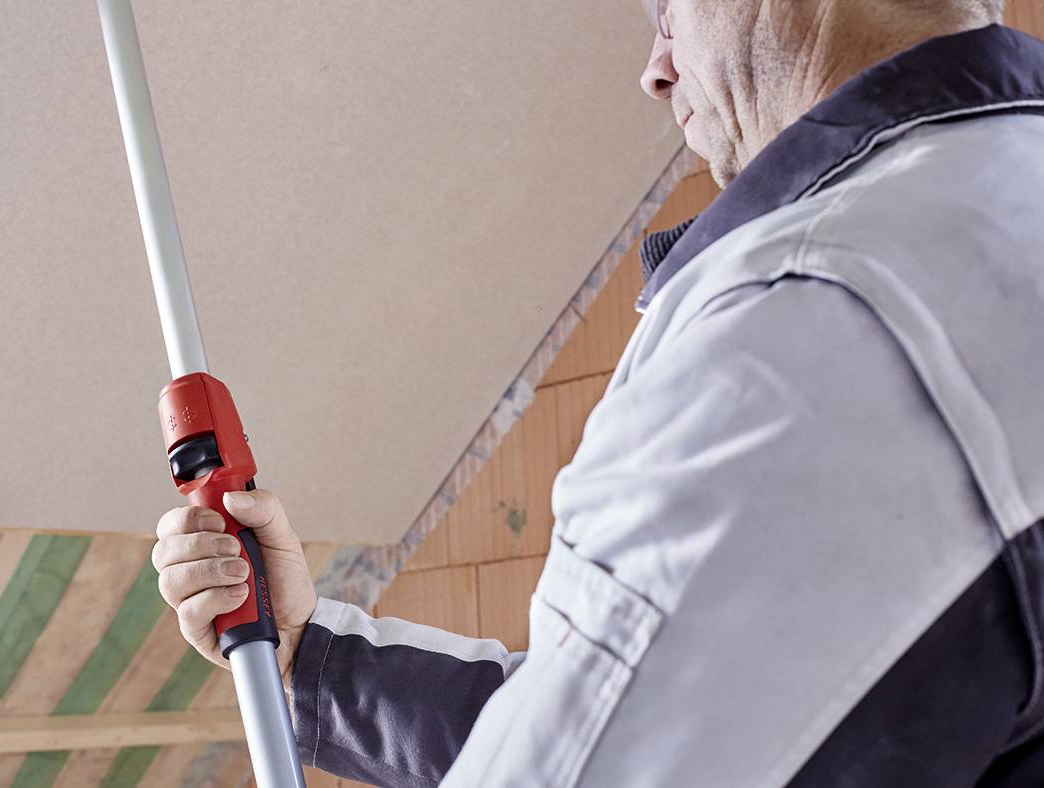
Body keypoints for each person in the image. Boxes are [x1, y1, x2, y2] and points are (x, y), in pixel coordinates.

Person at [151, 0, 1044, 783]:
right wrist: (309, 657)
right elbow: (613, 731)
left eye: (666, 11)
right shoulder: (994, 205)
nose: (657, 71)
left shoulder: (814, 323)